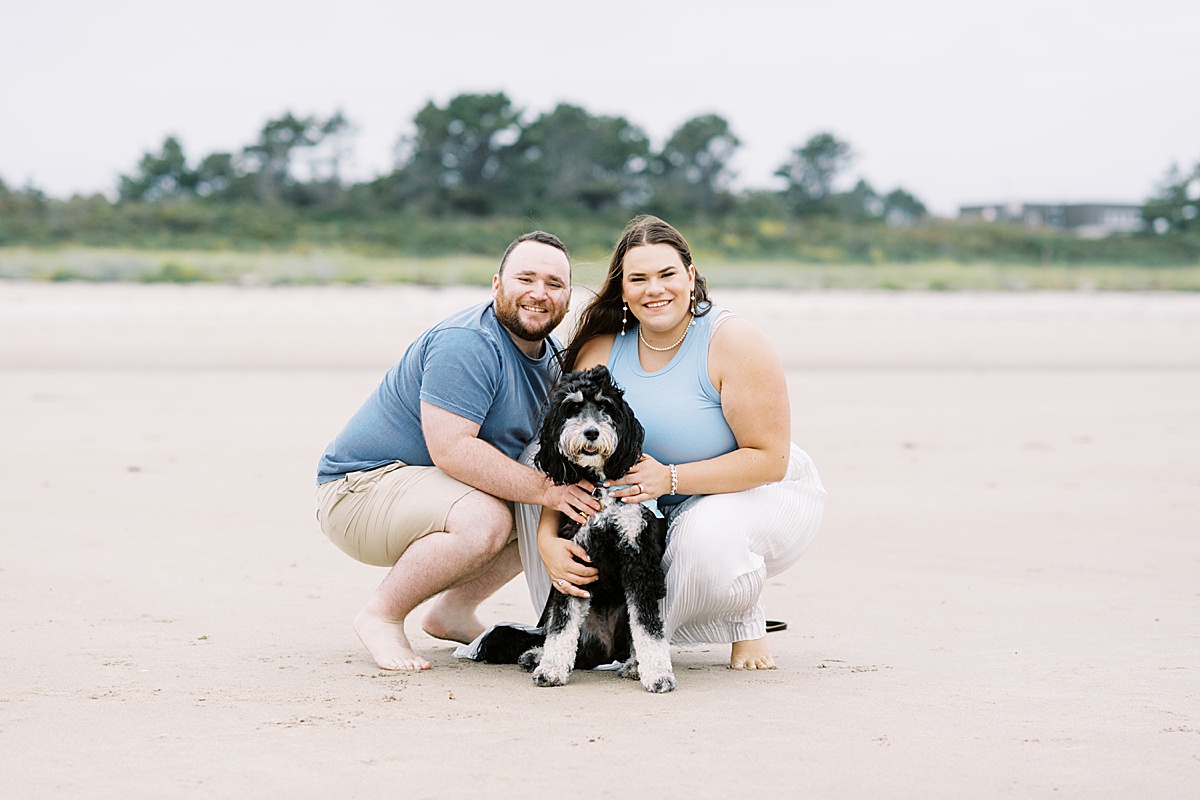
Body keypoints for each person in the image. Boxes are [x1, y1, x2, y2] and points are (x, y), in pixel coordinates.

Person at [523, 215, 825, 670]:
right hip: (642, 504)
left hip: (751, 491)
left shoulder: (733, 340)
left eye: (666, 274)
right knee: (529, 462)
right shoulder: (602, 349)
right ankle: (587, 627)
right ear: (622, 290)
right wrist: (547, 539)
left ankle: (744, 618)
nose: (654, 289)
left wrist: (669, 478)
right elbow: (564, 462)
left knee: (704, 540)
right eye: (638, 279)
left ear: (690, 276)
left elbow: (770, 460)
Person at [316, 231, 601, 671]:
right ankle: (381, 615)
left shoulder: (553, 356)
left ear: (567, 297)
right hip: (358, 490)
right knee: (496, 515)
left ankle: (451, 613)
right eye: (525, 278)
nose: (538, 294)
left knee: (555, 508)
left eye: (553, 284)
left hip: (429, 491)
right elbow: (451, 450)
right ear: (496, 285)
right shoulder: (468, 342)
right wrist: (548, 491)